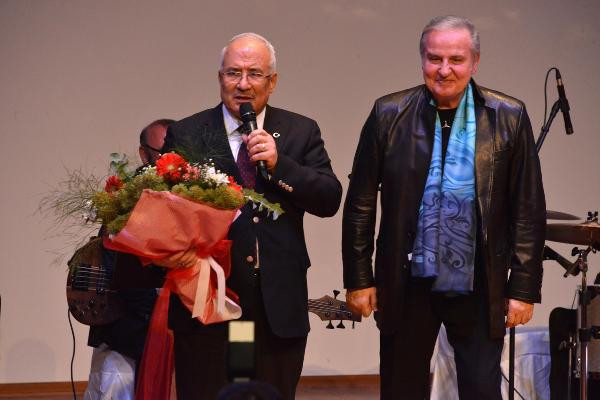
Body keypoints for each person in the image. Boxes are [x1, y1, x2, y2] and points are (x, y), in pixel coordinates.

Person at [342, 15, 546, 400]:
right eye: (434, 58)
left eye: (456, 59)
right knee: (401, 389)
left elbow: (528, 209)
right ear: (422, 59)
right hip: (406, 280)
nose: (444, 69)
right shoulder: (388, 113)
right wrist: (359, 278)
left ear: (475, 62)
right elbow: (360, 204)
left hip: (479, 282)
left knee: (482, 390)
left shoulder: (509, 116)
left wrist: (523, 288)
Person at [158, 33, 342, 400]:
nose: (243, 84)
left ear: (272, 82)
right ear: (220, 78)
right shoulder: (187, 133)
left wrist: (279, 164)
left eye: (254, 74)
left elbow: (328, 199)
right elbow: (163, 211)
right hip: (211, 303)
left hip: (276, 307)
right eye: (233, 73)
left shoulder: (300, 130)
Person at [84, 119, 173, 400]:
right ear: (144, 154)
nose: (169, 161)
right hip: (126, 326)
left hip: (175, 327)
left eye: (177, 152)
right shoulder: (125, 198)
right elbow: (113, 266)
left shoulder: (197, 194)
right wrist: (156, 308)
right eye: (162, 153)